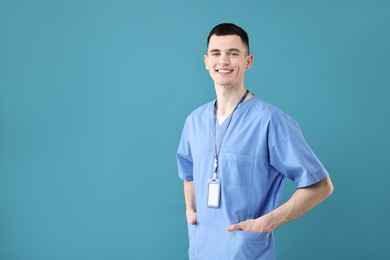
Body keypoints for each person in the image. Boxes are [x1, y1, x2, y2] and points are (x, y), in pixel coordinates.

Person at [176, 23, 334, 260]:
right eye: (217, 54)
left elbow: (321, 186)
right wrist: (190, 208)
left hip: (246, 252)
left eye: (233, 53)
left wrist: (266, 223)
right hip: (201, 250)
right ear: (206, 61)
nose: (224, 61)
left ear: (248, 61)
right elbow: (188, 174)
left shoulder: (271, 122)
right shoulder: (194, 121)